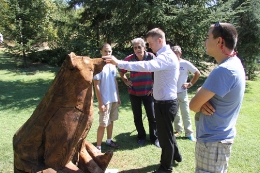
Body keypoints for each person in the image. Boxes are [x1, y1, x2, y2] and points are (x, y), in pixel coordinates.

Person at [104, 28, 182, 173]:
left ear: (159, 40)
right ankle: (176, 155)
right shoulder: (163, 55)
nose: (149, 46)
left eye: (150, 43)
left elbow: (146, 66)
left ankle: (166, 168)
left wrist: (119, 63)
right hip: (163, 102)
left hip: (166, 103)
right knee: (167, 133)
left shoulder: (166, 56)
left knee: (165, 138)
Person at [189, 22, 245, 173]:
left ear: (219, 41)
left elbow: (193, 106)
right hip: (218, 142)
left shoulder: (223, 70)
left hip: (213, 143)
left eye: (208, 37)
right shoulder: (234, 63)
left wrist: (200, 97)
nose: (204, 42)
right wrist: (202, 91)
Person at [118, 37, 159, 147]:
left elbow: (158, 72)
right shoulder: (129, 59)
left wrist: (154, 88)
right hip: (134, 92)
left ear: (144, 47)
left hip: (148, 92)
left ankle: (154, 138)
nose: (137, 49)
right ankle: (141, 137)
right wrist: (126, 81)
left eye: (139, 47)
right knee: (137, 116)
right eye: (135, 48)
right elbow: (121, 71)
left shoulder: (151, 57)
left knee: (152, 116)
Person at [93, 43, 121, 151]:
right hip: (105, 100)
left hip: (113, 98)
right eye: (105, 51)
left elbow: (115, 82)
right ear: (101, 52)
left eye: (109, 51)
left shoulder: (113, 65)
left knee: (111, 120)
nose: (108, 53)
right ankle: (98, 147)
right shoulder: (98, 66)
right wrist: (100, 103)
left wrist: (118, 96)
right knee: (103, 124)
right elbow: (96, 85)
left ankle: (109, 140)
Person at [171, 45, 201, 141]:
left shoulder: (185, 63)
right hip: (172, 93)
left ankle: (189, 133)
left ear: (180, 53)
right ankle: (178, 130)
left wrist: (190, 84)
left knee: (185, 113)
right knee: (175, 113)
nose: (175, 55)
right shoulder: (170, 64)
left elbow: (197, 73)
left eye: (177, 53)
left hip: (182, 92)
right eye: (173, 53)